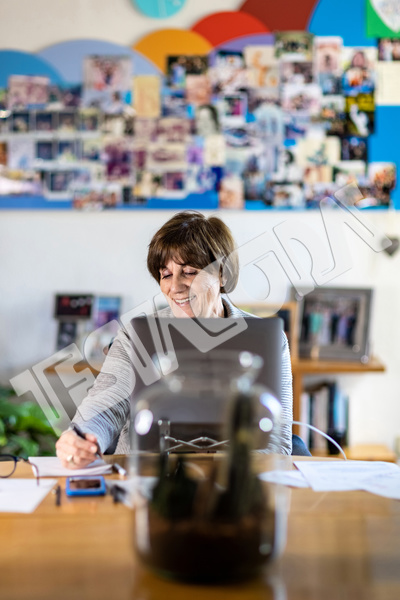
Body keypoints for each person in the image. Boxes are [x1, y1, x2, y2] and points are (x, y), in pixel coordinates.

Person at [55, 211, 293, 468]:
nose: (175, 286)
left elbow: (276, 441)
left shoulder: (267, 339)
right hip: (149, 479)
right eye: (165, 274)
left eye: (189, 272)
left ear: (222, 274)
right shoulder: (136, 336)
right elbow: (104, 409)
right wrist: (80, 439)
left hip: (235, 483)